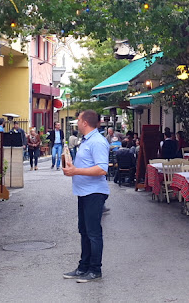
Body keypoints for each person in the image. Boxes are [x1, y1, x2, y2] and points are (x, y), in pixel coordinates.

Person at [62, 110, 110, 283]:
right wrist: (72, 166)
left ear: (84, 122)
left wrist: (76, 170)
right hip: (84, 191)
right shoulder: (87, 140)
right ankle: (83, 266)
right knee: (84, 230)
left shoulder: (97, 142)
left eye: (79, 119)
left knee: (93, 232)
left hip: (94, 192)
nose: (77, 122)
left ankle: (95, 269)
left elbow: (102, 168)